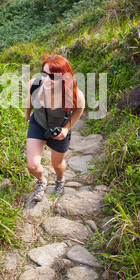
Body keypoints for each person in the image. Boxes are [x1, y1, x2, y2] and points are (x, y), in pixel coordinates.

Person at [25, 54, 85, 201]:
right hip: (38, 123)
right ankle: (41, 180)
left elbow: (79, 109)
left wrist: (66, 129)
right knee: (32, 166)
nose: (46, 79)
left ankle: (60, 179)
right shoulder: (34, 84)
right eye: (44, 73)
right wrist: (27, 115)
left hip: (59, 128)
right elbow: (30, 100)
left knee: (57, 165)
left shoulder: (72, 92)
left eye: (53, 77)